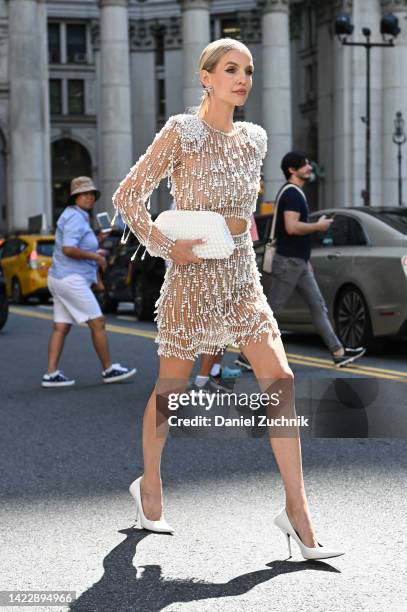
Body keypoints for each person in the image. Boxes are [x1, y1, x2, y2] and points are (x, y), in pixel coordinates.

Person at [113, 39, 344, 560]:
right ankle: (149, 488)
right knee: (169, 393)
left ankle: (297, 511)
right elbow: (128, 196)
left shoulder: (254, 139)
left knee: (281, 379)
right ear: (206, 77)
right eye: (231, 69)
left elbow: (244, 213)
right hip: (191, 285)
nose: (242, 79)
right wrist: (169, 246)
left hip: (241, 281)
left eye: (248, 70)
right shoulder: (181, 131)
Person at [264, 151, 365, 368]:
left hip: (298, 262)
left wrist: (305, 258)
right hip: (289, 262)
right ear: (292, 170)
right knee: (271, 311)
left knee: (318, 306)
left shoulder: (296, 193)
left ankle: (338, 352)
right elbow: (291, 227)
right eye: (305, 164)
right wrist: (318, 226)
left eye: (309, 163)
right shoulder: (291, 194)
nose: (309, 167)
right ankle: (247, 357)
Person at [42, 177, 137, 388]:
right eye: (84, 194)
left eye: (92, 193)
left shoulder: (72, 215)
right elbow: (69, 249)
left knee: (61, 327)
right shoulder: (76, 217)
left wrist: (97, 240)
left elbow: (75, 244)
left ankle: (51, 373)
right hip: (71, 278)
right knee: (98, 321)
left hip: (58, 277)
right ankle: (109, 369)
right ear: (75, 197)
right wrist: (97, 257)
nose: (89, 197)